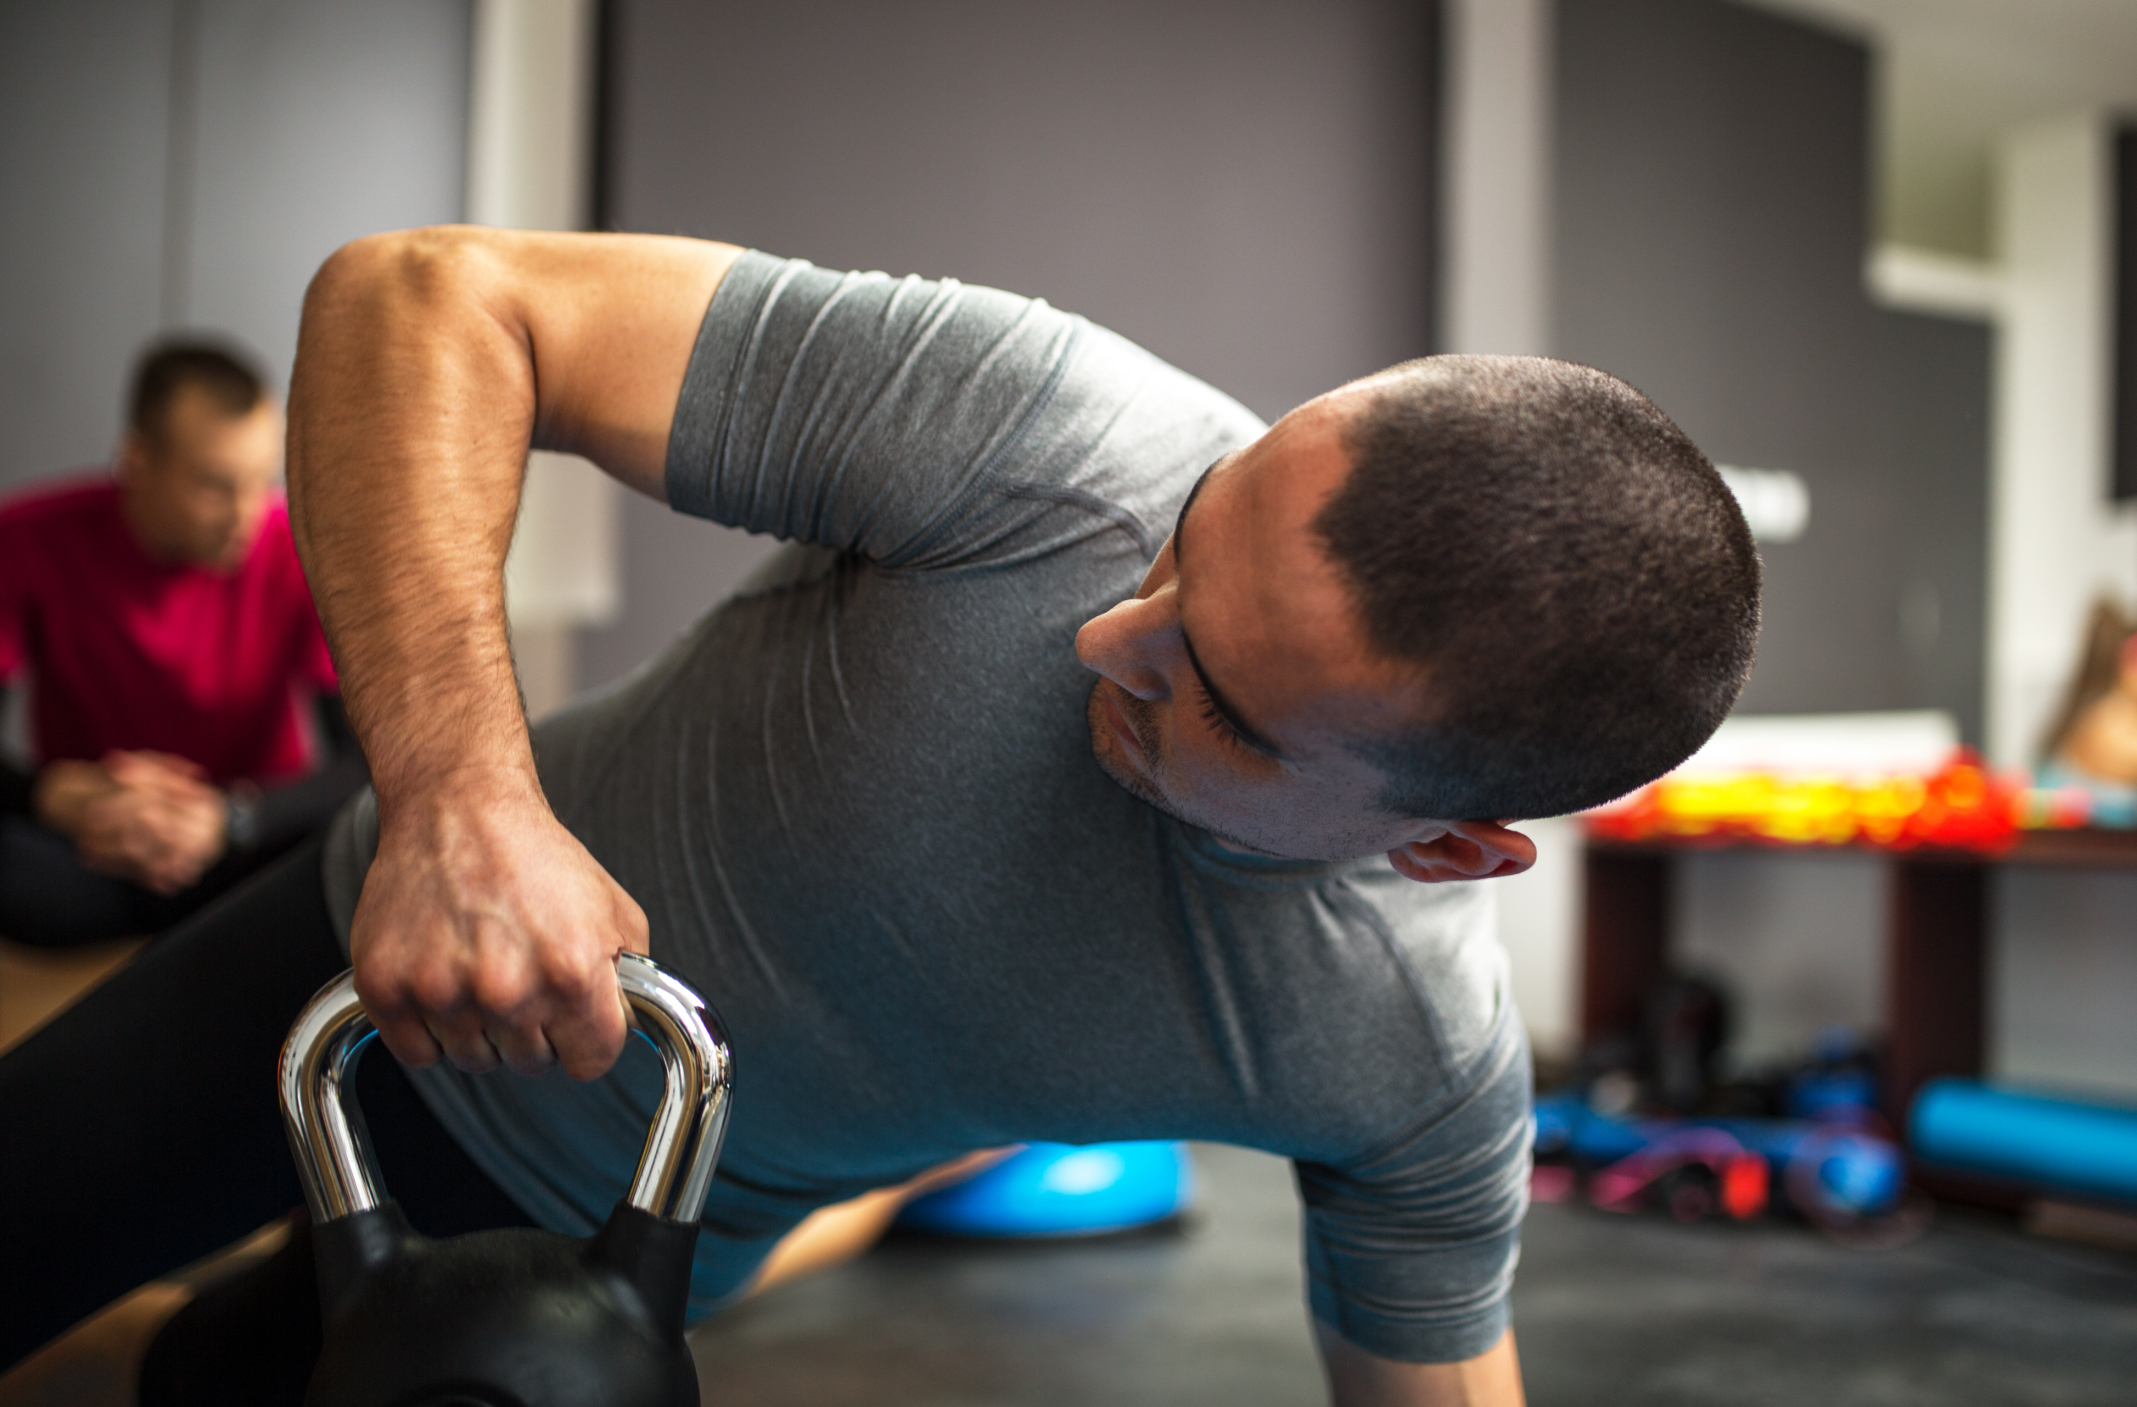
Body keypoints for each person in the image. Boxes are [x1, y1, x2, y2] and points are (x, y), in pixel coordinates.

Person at [0, 229, 1758, 1406]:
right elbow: (420, 299)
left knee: (213, 1384)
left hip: (641, 1226)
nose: (1105, 633)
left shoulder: (1403, 1059)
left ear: (1442, 848)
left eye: (1206, 690)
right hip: (352, 966)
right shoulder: (1049, 428)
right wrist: (462, 795)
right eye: (1189, 530)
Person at [0, 343, 366, 948]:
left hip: (245, 845)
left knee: (350, 845)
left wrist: (232, 819)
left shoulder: (301, 553)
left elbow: (363, 763)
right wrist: (56, 795)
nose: (246, 515)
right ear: (137, 460)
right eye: (216, 486)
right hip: (92, 843)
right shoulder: (27, 538)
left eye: (261, 482)